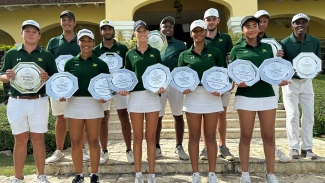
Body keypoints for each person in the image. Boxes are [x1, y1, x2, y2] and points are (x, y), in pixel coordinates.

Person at [230, 16, 290, 183]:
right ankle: (245, 174)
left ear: (259, 28)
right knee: (246, 136)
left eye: (254, 26)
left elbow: (274, 71)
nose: (251, 29)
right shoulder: (237, 50)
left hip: (267, 95)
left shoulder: (268, 48)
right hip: (246, 96)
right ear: (242, 30)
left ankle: (270, 174)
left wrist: (282, 79)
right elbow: (233, 74)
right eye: (247, 26)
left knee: (269, 137)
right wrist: (237, 82)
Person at [1, 20, 58, 183]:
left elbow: (55, 78)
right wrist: (7, 76)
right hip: (17, 101)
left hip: (39, 101)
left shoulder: (46, 55)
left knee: (38, 139)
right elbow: (2, 76)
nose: (31, 34)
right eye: (27, 31)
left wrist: (48, 78)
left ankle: (41, 175)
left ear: (39, 35)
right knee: (20, 140)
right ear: (22, 34)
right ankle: (18, 177)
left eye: (34, 31)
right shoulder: (12, 53)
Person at [178, 19, 225, 183]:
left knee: (210, 137)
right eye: (195, 31)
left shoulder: (215, 52)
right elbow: (179, 78)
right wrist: (182, 87)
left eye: (201, 30)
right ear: (191, 34)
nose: (198, 34)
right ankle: (195, 173)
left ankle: (212, 173)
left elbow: (222, 74)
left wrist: (222, 87)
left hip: (212, 96)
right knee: (193, 137)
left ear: (206, 32)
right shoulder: (184, 55)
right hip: (192, 96)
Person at [61, 29, 109, 183]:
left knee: (94, 141)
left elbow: (107, 86)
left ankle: (94, 175)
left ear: (93, 43)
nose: (86, 44)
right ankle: (79, 175)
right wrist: (63, 93)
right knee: (75, 142)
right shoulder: (70, 63)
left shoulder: (101, 64)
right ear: (78, 42)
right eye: (83, 40)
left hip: (93, 104)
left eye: (89, 41)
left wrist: (105, 97)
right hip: (74, 103)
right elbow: (65, 85)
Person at [45, 10, 90, 164]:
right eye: (64, 20)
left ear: (74, 23)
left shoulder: (81, 40)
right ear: (60, 23)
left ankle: (81, 150)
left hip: (78, 87)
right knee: (60, 118)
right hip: (58, 87)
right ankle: (59, 151)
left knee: (79, 118)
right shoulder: (53, 42)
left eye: (70, 20)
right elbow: (48, 63)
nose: (67, 23)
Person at [122, 20, 164, 183]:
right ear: (134, 34)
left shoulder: (155, 53)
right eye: (138, 31)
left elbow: (161, 74)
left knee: (151, 137)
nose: (142, 33)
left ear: (148, 33)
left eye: (144, 31)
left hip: (153, 97)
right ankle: (138, 174)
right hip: (136, 97)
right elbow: (127, 77)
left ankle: (152, 175)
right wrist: (124, 88)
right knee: (138, 137)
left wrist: (162, 86)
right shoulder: (129, 54)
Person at [92, 19, 134, 164]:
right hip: (103, 88)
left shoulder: (122, 49)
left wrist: (127, 86)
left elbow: (128, 69)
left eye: (110, 29)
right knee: (103, 118)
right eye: (105, 29)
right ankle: (104, 151)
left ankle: (129, 150)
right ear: (101, 32)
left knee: (124, 116)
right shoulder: (95, 50)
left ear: (114, 31)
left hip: (120, 88)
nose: (108, 31)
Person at [281, 13, 321, 160]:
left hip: (307, 82)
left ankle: (307, 148)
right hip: (290, 83)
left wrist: (316, 70)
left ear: (307, 25)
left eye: (303, 23)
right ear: (292, 25)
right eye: (297, 23)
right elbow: (282, 65)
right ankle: (293, 147)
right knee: (292, 115)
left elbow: (317, 62)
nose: (300, 25)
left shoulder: (314, 41)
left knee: (309, 114)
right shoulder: (285, 42)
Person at [200, 8, 235, 161]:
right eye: (208, 19)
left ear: (218, 21)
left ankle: (222, 146)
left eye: (214, 19)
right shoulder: (200, 37)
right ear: (204, 21)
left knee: (222, 115)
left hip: (222, 84)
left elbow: (230, 60)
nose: (211, 22)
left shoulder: (226, 38)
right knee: (204, 117)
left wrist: (232, 79)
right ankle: (207, 146)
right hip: (204, 85)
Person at [155, 16, 189, 160]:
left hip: (175, 84)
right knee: (157, 116)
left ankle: (179, 146)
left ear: (173, 29)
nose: (168, 28)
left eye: (170, 26)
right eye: (165, 26)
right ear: (160, 29)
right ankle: (156, 147)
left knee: (178, 115)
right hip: (159, 84)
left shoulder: (181, 45)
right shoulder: (154, 44)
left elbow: (185, 64)